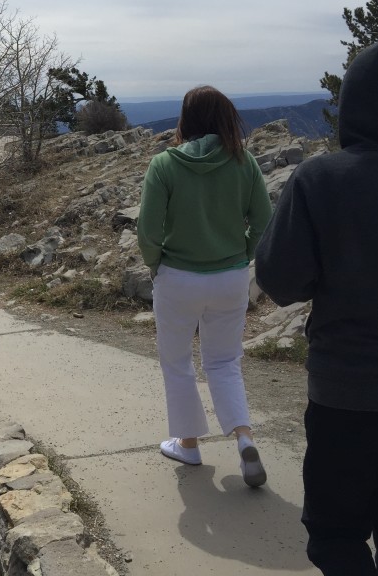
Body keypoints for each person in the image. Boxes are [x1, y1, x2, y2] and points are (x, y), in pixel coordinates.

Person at [255, 37, 378, 575]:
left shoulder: (321, 179)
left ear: (351, 106)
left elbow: (280, 281)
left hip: (347, 399)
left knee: (333, 537)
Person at [137, 85, 272, 487]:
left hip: (178, 277)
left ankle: (189, 444)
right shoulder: (244, 163)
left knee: (177, 362)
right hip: (230, 278)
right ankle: (243, 437)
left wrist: (156, 265)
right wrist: (241, 255)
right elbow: (264, 222)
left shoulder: (164, 164)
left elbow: (148, 229)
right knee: (224, 361)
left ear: (186, 119)